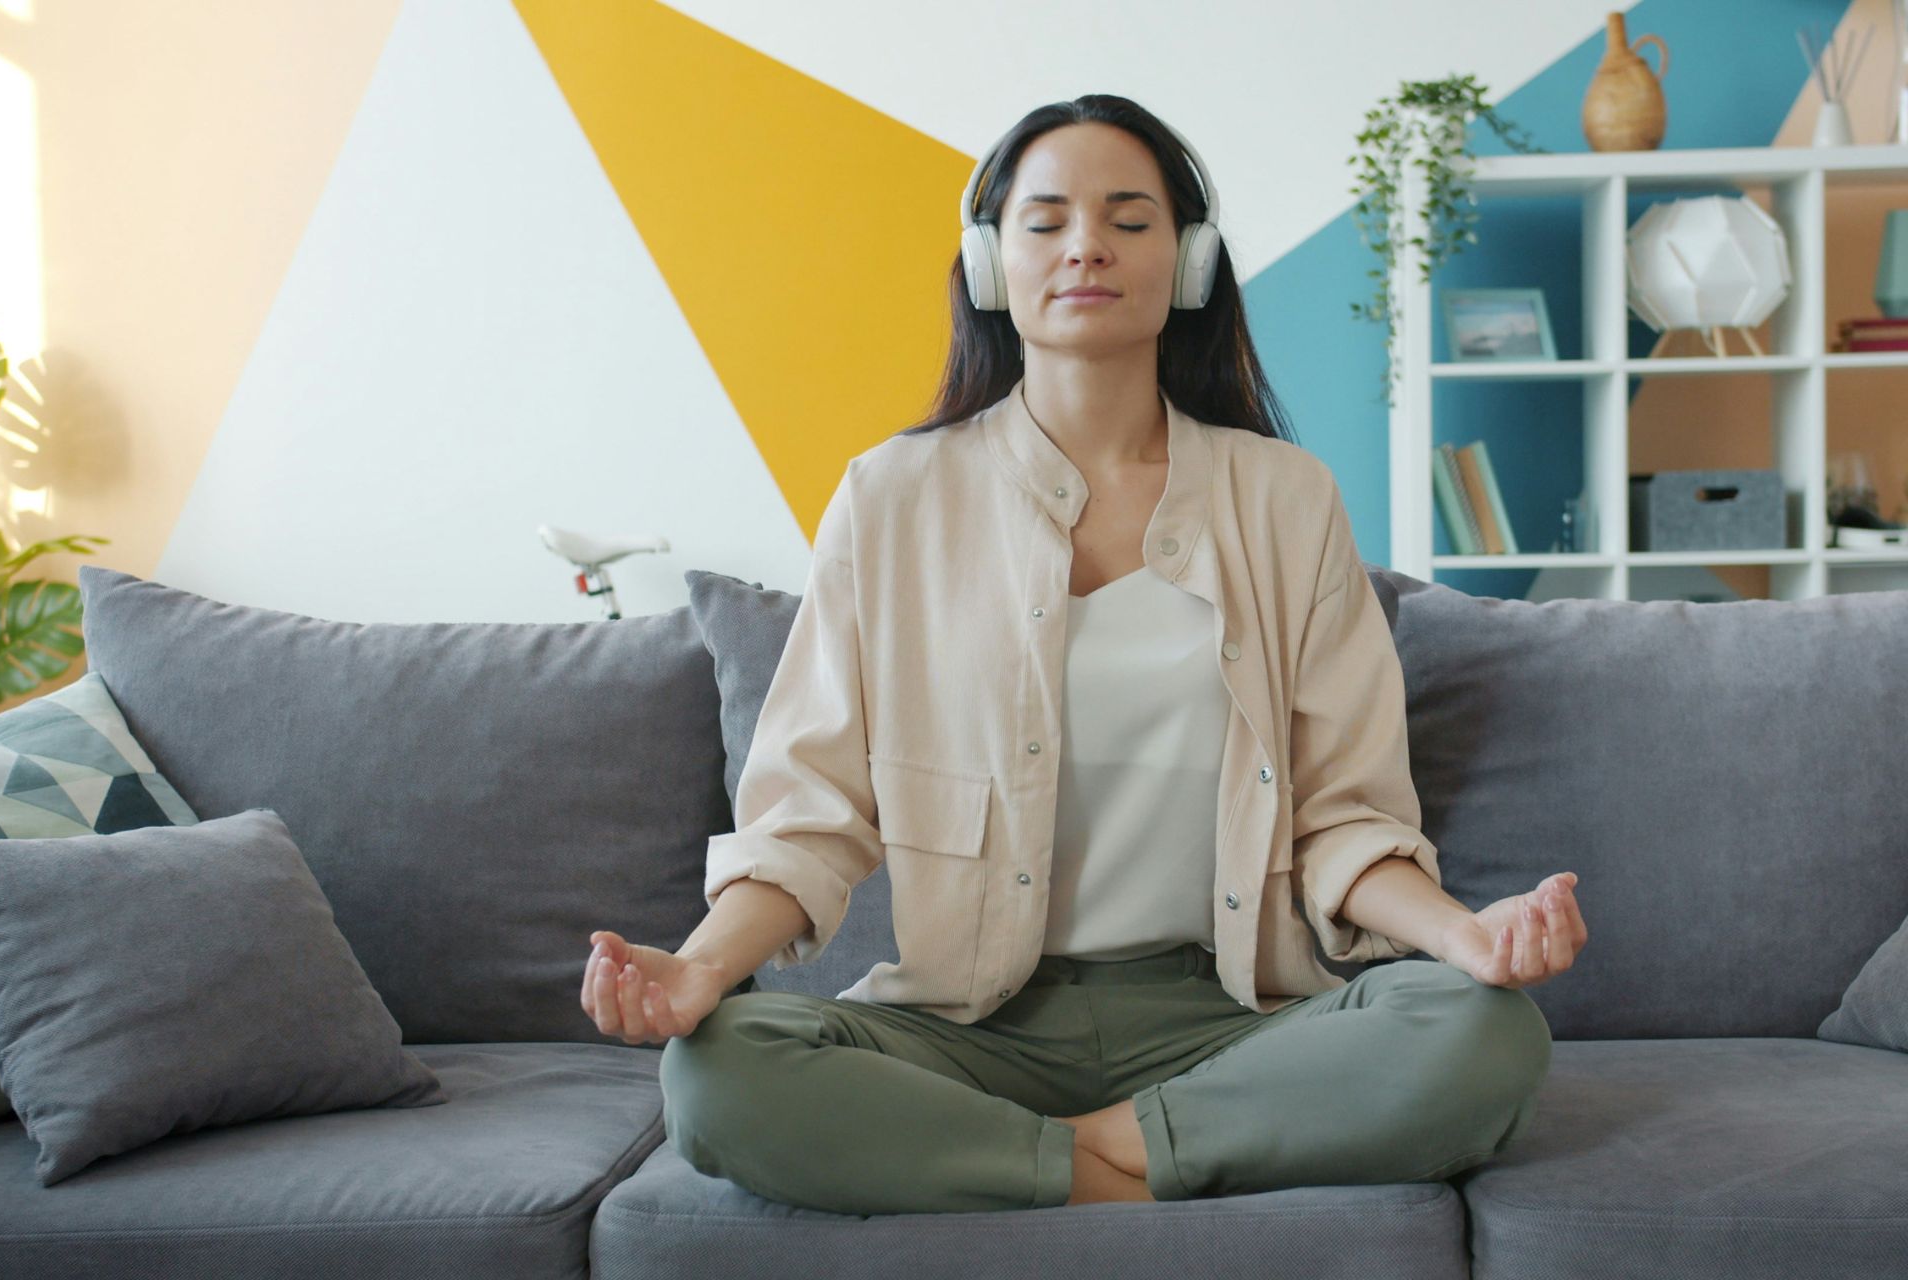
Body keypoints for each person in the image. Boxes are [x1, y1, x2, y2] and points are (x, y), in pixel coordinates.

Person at [581, 94, 1587, 1216]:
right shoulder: (890, 499)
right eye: (1046, 219)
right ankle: (1155, 1161)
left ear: (1191, 259)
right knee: (718, 1070)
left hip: (1227, 1019)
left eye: (1129, 219)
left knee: (1483, 1030)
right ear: (989, 260)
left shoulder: (1285, 499)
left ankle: (1027, 1161)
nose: (1086, 247)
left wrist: (1469, 935)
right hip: (972, 1027)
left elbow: (1344, 820)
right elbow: (810, 815)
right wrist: (701, 970)